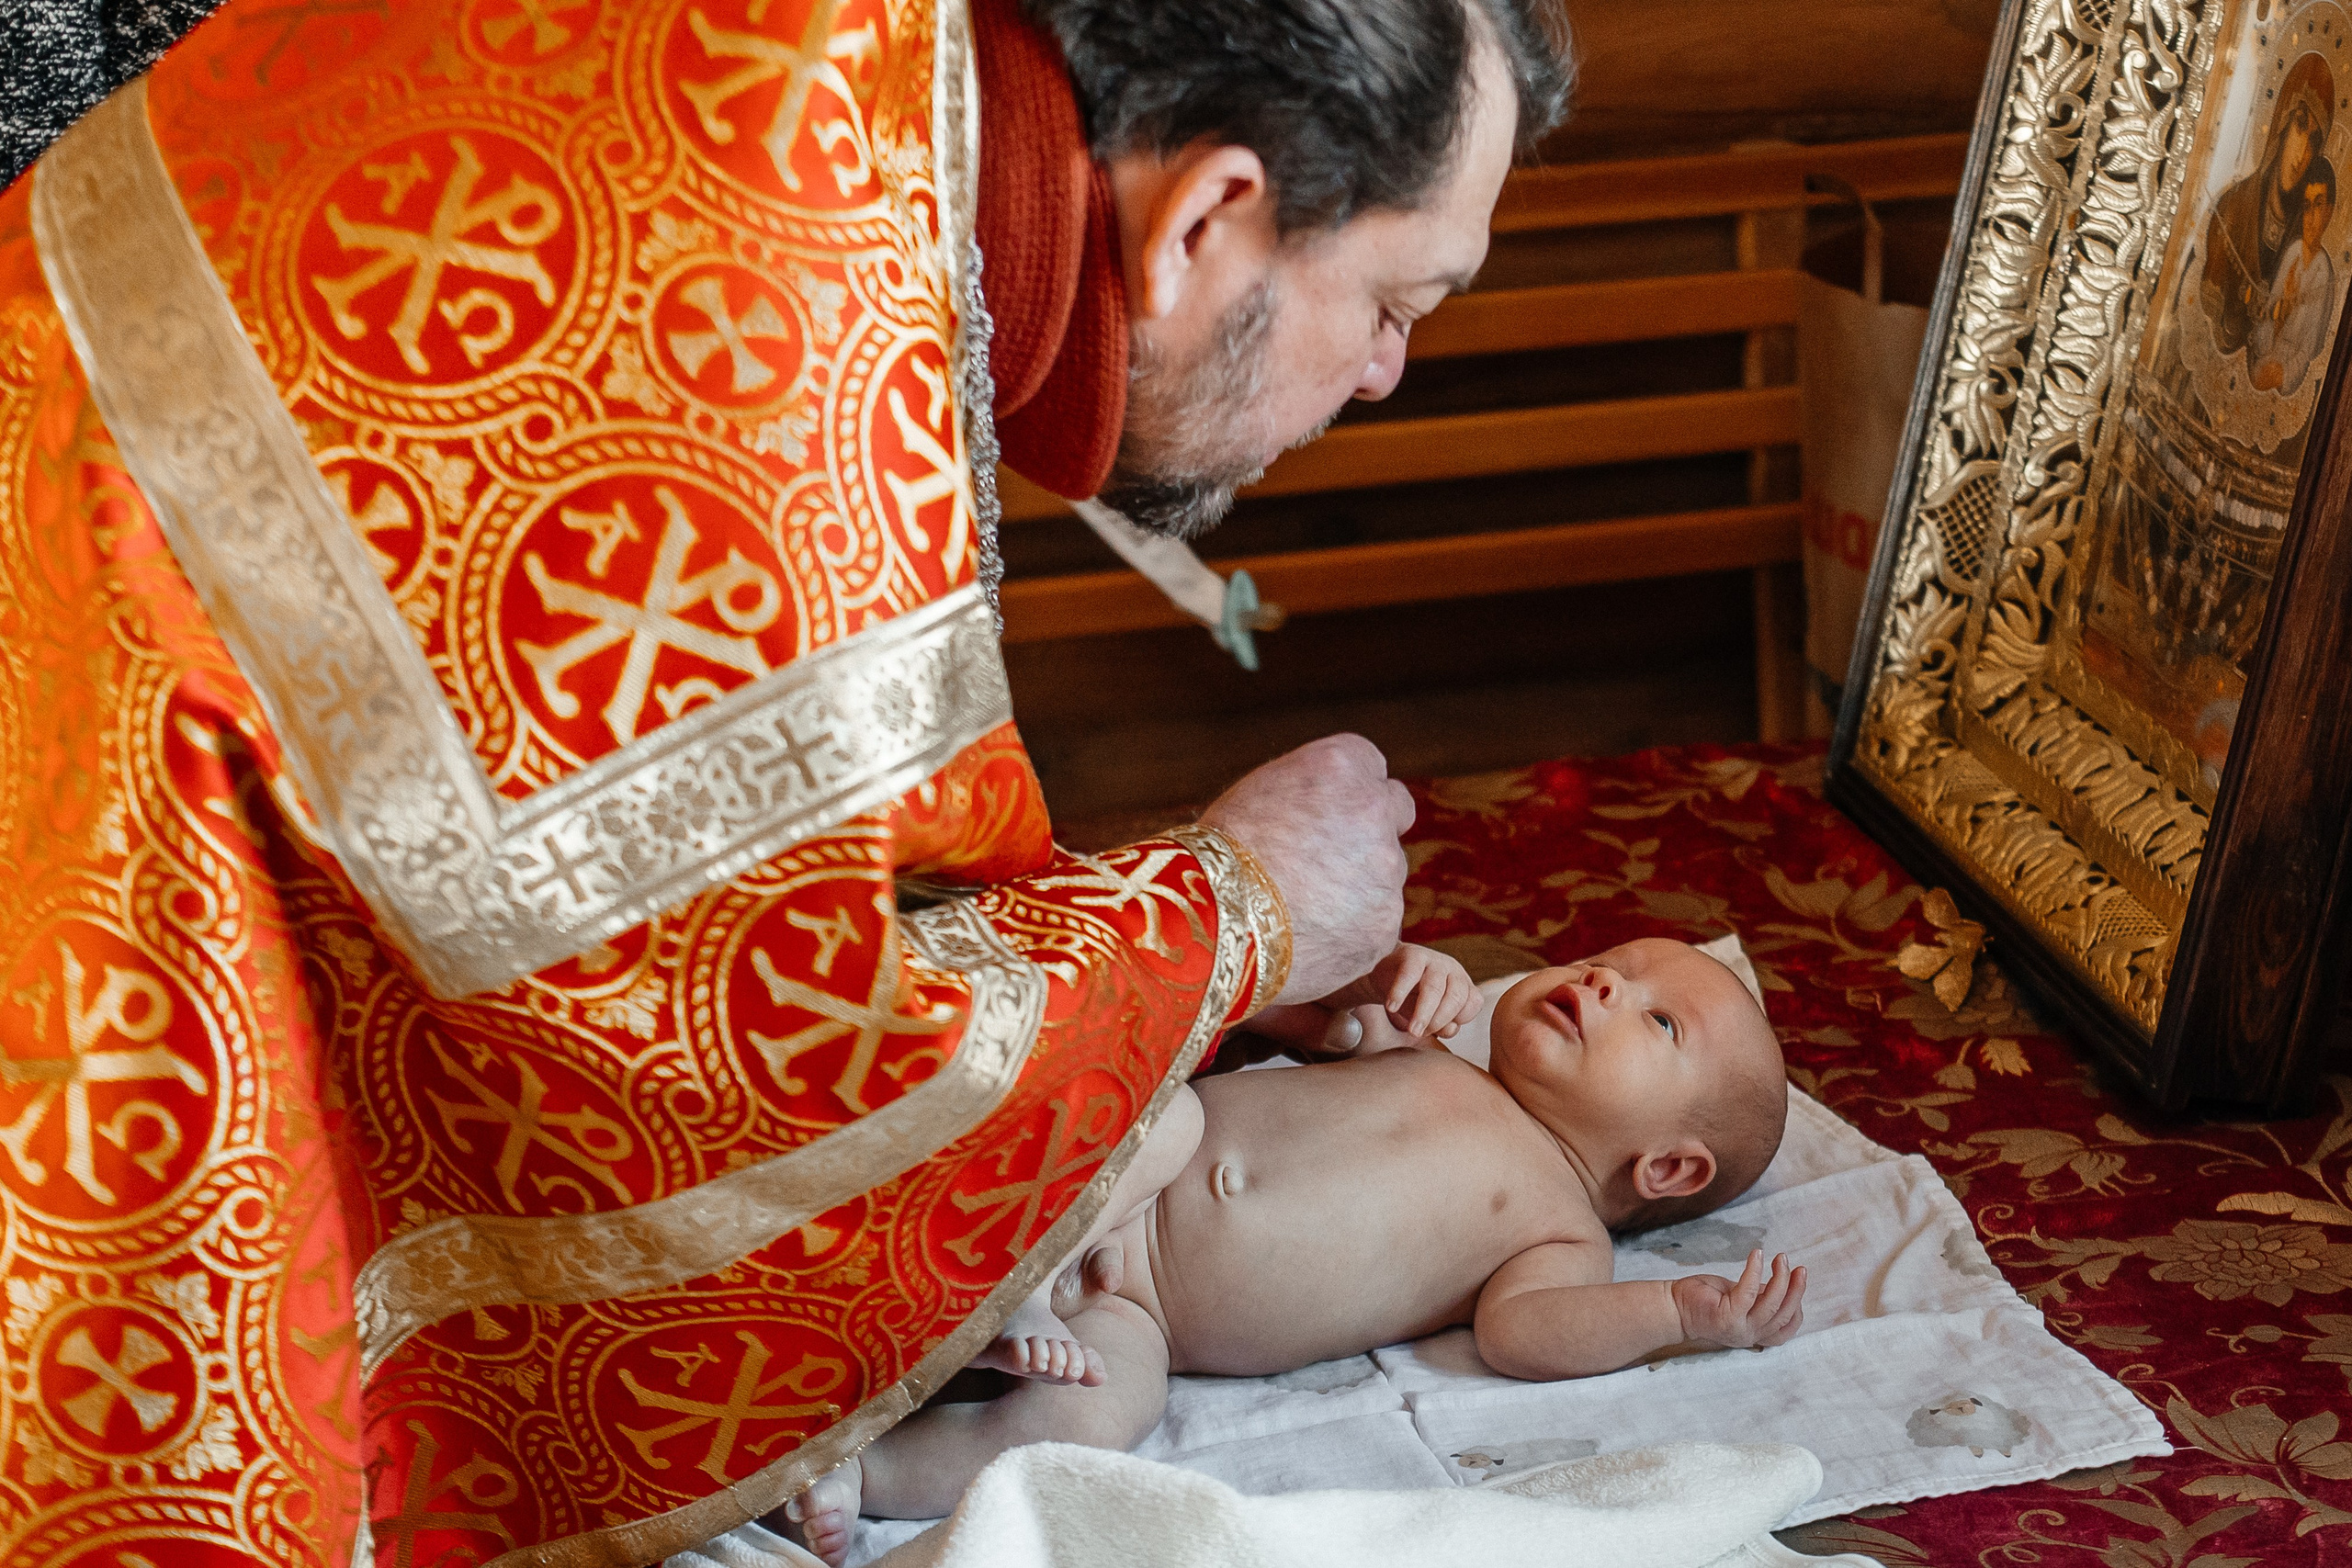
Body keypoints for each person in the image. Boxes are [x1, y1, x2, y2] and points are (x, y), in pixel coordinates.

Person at [0, 0, 1575, 1562]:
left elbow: (742, 815)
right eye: (1397, 300)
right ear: (1209, 221)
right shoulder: (779, 273)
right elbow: (717, 1060)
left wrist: (1179, 977)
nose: (1382, 372)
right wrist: (1232, 910)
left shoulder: (846, 97)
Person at [783, 937, 1800, 1564]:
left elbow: (1524, 1333)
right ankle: (1029, 1276)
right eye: (1611, 962)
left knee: (1101, 1414)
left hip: (1146, 1318)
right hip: (1112, 1170)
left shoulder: (1560, 1233)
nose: (1602, 981)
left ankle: (864, 1474)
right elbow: (1328, 1021)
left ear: (1669, 1171)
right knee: (1172, 1118)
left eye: (1655, 1017)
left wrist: (1675, 1316)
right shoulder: (1430, 1053)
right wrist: (1392, 976)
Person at [2250, 159, 2337, 393]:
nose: (2310, 217)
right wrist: (2280, 315)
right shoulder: (2293, 253)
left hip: (2286, 383)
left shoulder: (2325, 275)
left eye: (2318, 205)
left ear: (2329, 211)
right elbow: (2264, 328)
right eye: (2307, 206)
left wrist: (2281, 375)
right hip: (2264, 364)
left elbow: (2309, 354)